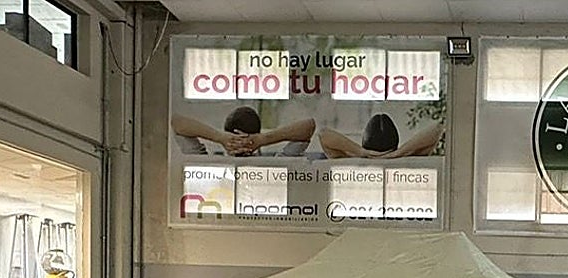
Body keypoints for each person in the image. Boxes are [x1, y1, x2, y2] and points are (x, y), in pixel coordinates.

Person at [172, 109, 315, 157]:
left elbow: (308, 126)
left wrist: (219, 137)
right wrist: (221, 137)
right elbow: (176, 121)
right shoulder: (277, 165)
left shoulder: (206, 164)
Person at [318, 116, 444, 159]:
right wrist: (398, 153)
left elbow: (323, 134)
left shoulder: (347, 160)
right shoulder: (410, 159)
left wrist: (360, 152)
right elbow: (437, 128)